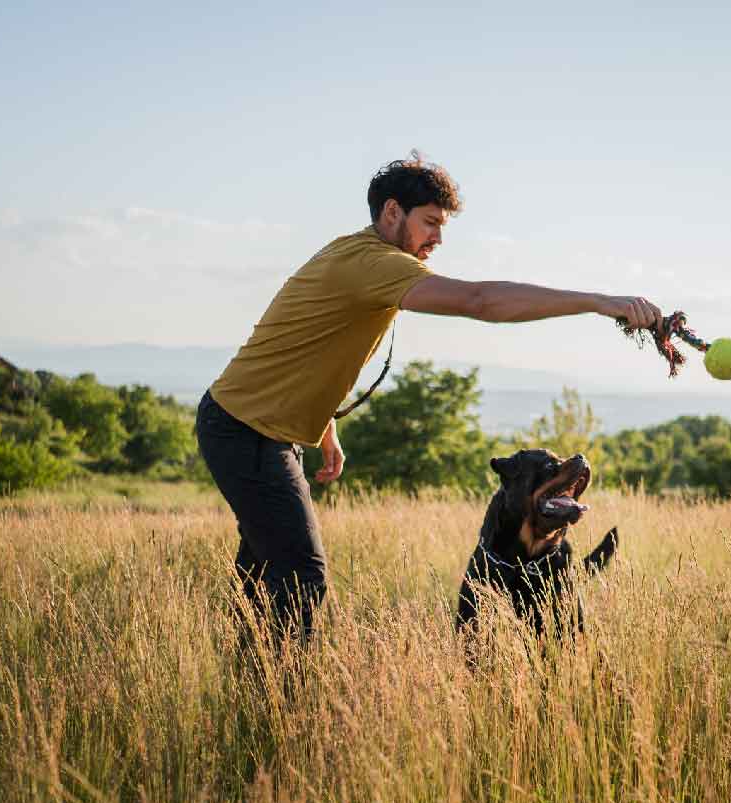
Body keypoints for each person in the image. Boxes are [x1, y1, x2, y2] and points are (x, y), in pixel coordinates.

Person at [196, 154, 662, 644]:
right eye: (431, 223)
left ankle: (251, 692)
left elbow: (308, 337)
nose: (438, 238)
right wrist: (599, 303)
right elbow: (480, 301)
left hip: (259, 429)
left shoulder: (352, 255)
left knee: (263, 576)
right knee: (300, 577)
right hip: (246, 433)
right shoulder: (372, 263)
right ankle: (277, 705)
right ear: (392, 213)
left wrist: (324, 424)